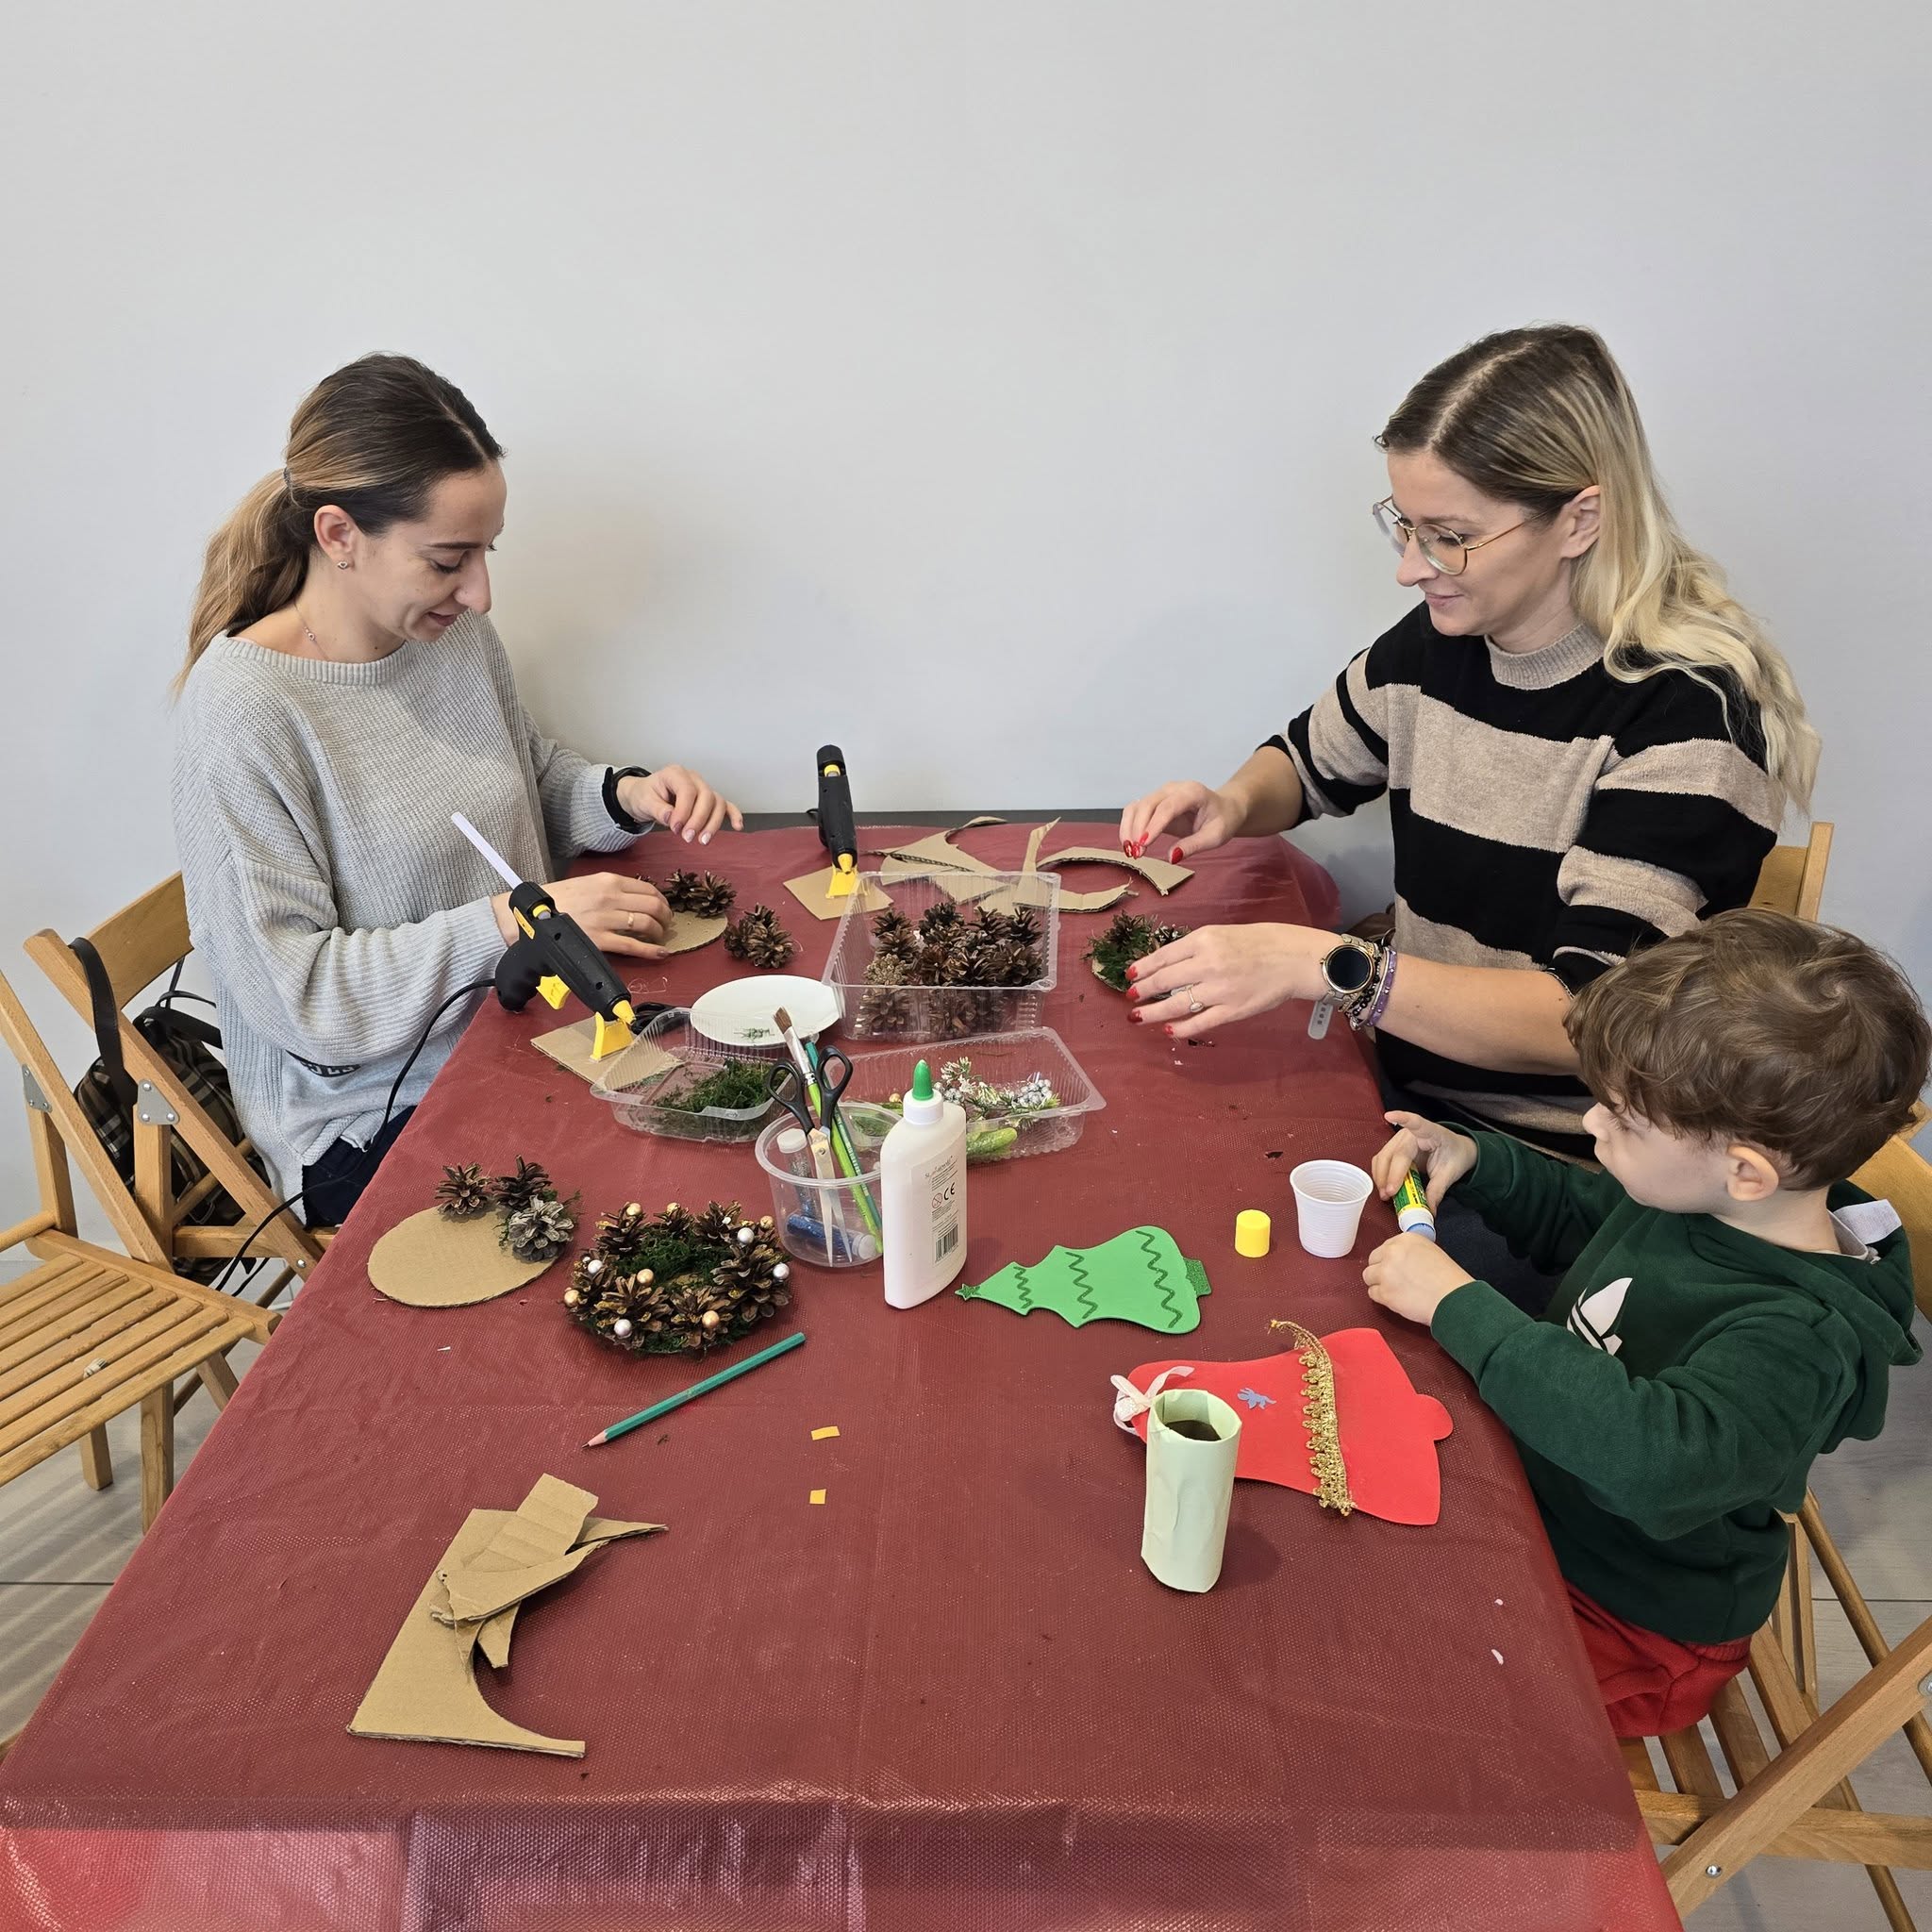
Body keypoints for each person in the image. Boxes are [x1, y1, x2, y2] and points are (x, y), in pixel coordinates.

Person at [1120, 325, 1818, 1164]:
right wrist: (1233, 801)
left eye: (1449, 535)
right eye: (1405, 526)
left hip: (1564, 1169)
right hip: (1408, 1102)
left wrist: (1333, 966)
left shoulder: (1690, 716)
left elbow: (1587, 1015)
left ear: (1579, 520)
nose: (1411, 567)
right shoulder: (1439, 643)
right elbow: (1305, 765)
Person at [172, 353, 741, 1223]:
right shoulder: (243, 712)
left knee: (739, 1085)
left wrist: (624, 796)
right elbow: (303, 999)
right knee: (669, 1189)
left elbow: (522, 782)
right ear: (338, 535)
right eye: (448, 559)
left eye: (485, 552)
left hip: (530, 1021)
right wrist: (513, 923)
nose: (479, 593)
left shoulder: (450, 638)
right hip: (374, 1116)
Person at [1360, 909, 1927, 1738]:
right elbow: (1587, 1213)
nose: (1593, 1123)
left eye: (1624, 1120)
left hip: (1630, 1620)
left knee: (1381, 1692)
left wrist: (1462, 1307)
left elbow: (1656, 1460)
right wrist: (1480, 1161)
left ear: (1745, 1170)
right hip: (1542, 1512)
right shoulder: (1710, 1201)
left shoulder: (1800, 1337)